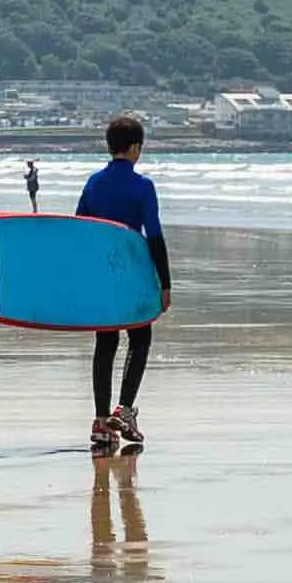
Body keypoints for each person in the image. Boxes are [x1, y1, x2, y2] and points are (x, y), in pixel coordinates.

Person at [77, 113, 171, 452]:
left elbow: (80, 229)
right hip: (132, 272)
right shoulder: (142, 186)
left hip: (102, 273)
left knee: (105, 343)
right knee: (140, 337)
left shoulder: (93, 183)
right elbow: (155, 236)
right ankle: (126, 410)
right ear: (134, 148)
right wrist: (165, 282)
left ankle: (102, 422)